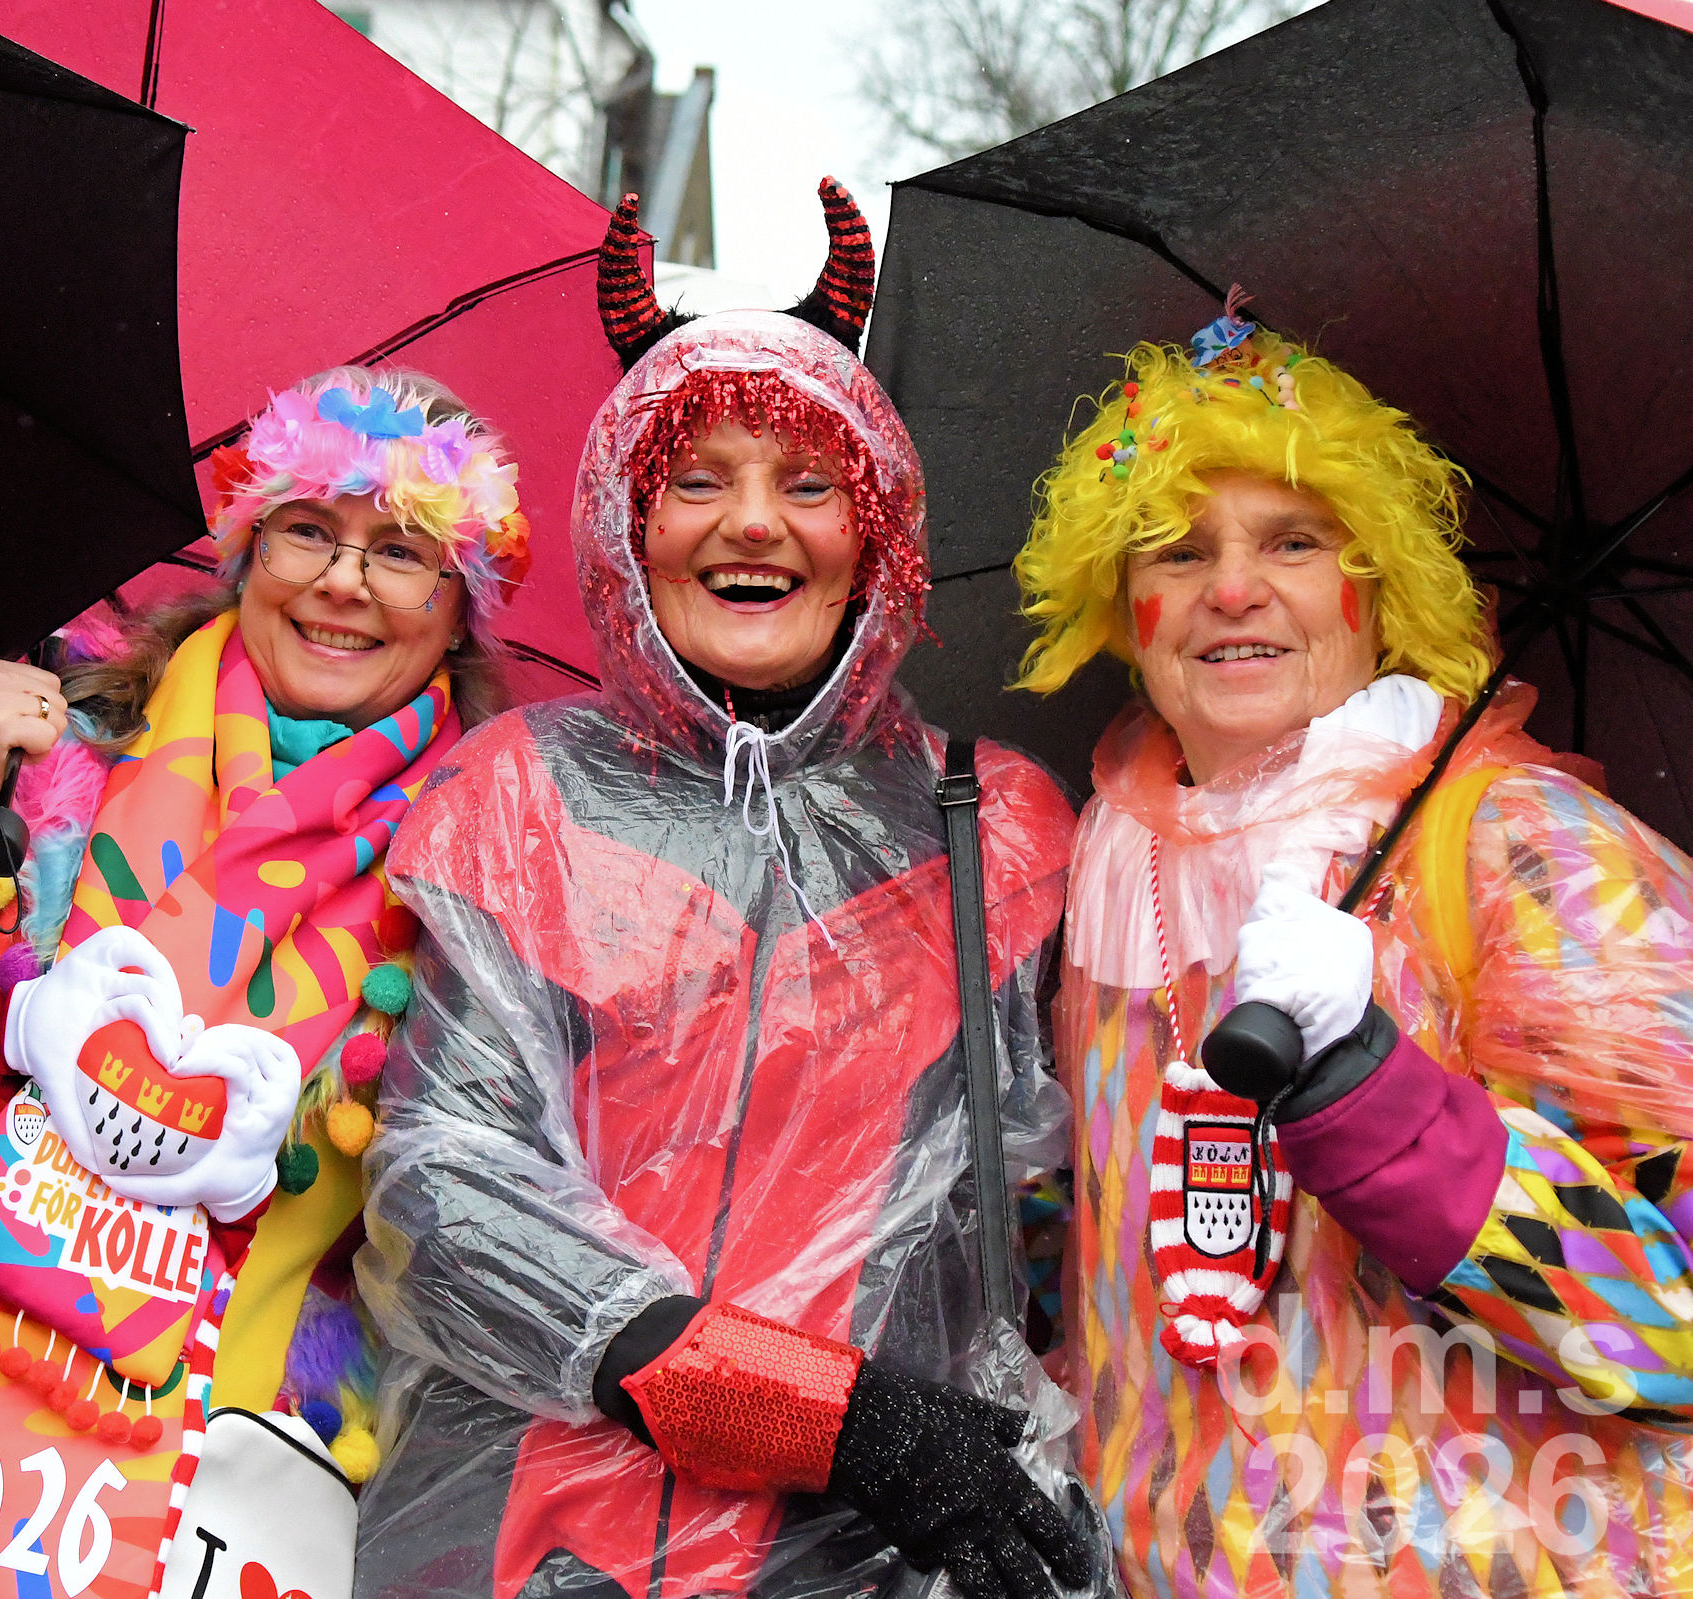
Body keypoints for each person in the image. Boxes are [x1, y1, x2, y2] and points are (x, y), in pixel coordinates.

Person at [351, 183, 1103, 1599]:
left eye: (810, 485)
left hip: (882, 1564)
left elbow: (1067, 1221)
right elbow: (444, 1198)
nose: (753, 524)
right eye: (697, 480)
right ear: (627, 525)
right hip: (539, 1548)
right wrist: (818, 1412)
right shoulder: (521, 797)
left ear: (876, 535)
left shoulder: (1001, 826)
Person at [0, 364, 532, 1598]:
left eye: (402, 552)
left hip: (189, 1489)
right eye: (306, 531)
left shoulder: (481, 878)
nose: (343, 582)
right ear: (245, 551)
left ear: (461, 605)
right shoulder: (56, 746)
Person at [1012, 302, 1693, 1596]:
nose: (1231, 588)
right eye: (1177, 549)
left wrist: (1376, 1100)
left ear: (1377, 584)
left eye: (1294, 540)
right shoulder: (1103, 866)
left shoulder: (1522, 848)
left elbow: (1675, 1323)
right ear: (1123, 604)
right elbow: (1096, 1275)